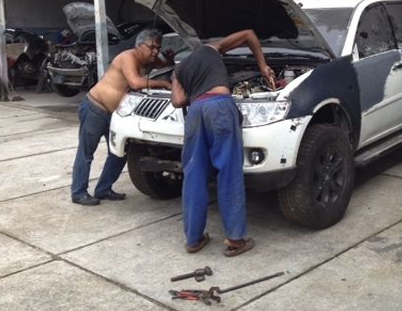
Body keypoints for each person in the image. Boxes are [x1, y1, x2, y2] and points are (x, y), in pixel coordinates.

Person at [170, 29, 275, 257]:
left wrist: (196, 92)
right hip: (219, 106)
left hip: (195, 112)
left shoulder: (179, 69)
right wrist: (262, 66)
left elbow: (178, 101)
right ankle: (235, 239)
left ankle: (193, 239)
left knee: (194, 174)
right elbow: (249, 34)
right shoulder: (212, 49)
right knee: (228, 171)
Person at [71, 28, 172, 206]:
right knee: (87, 152)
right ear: (139, 46)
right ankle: (78, 192)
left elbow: (164, 65)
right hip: (95, 108)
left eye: (158, 48)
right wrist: (164, 83)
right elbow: (136, 83)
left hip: (114, 115)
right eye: (152, 47)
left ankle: (103, 189)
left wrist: (166, 58)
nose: (155, 51)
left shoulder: (147, 61)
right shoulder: (128, 57)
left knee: (119, 152)